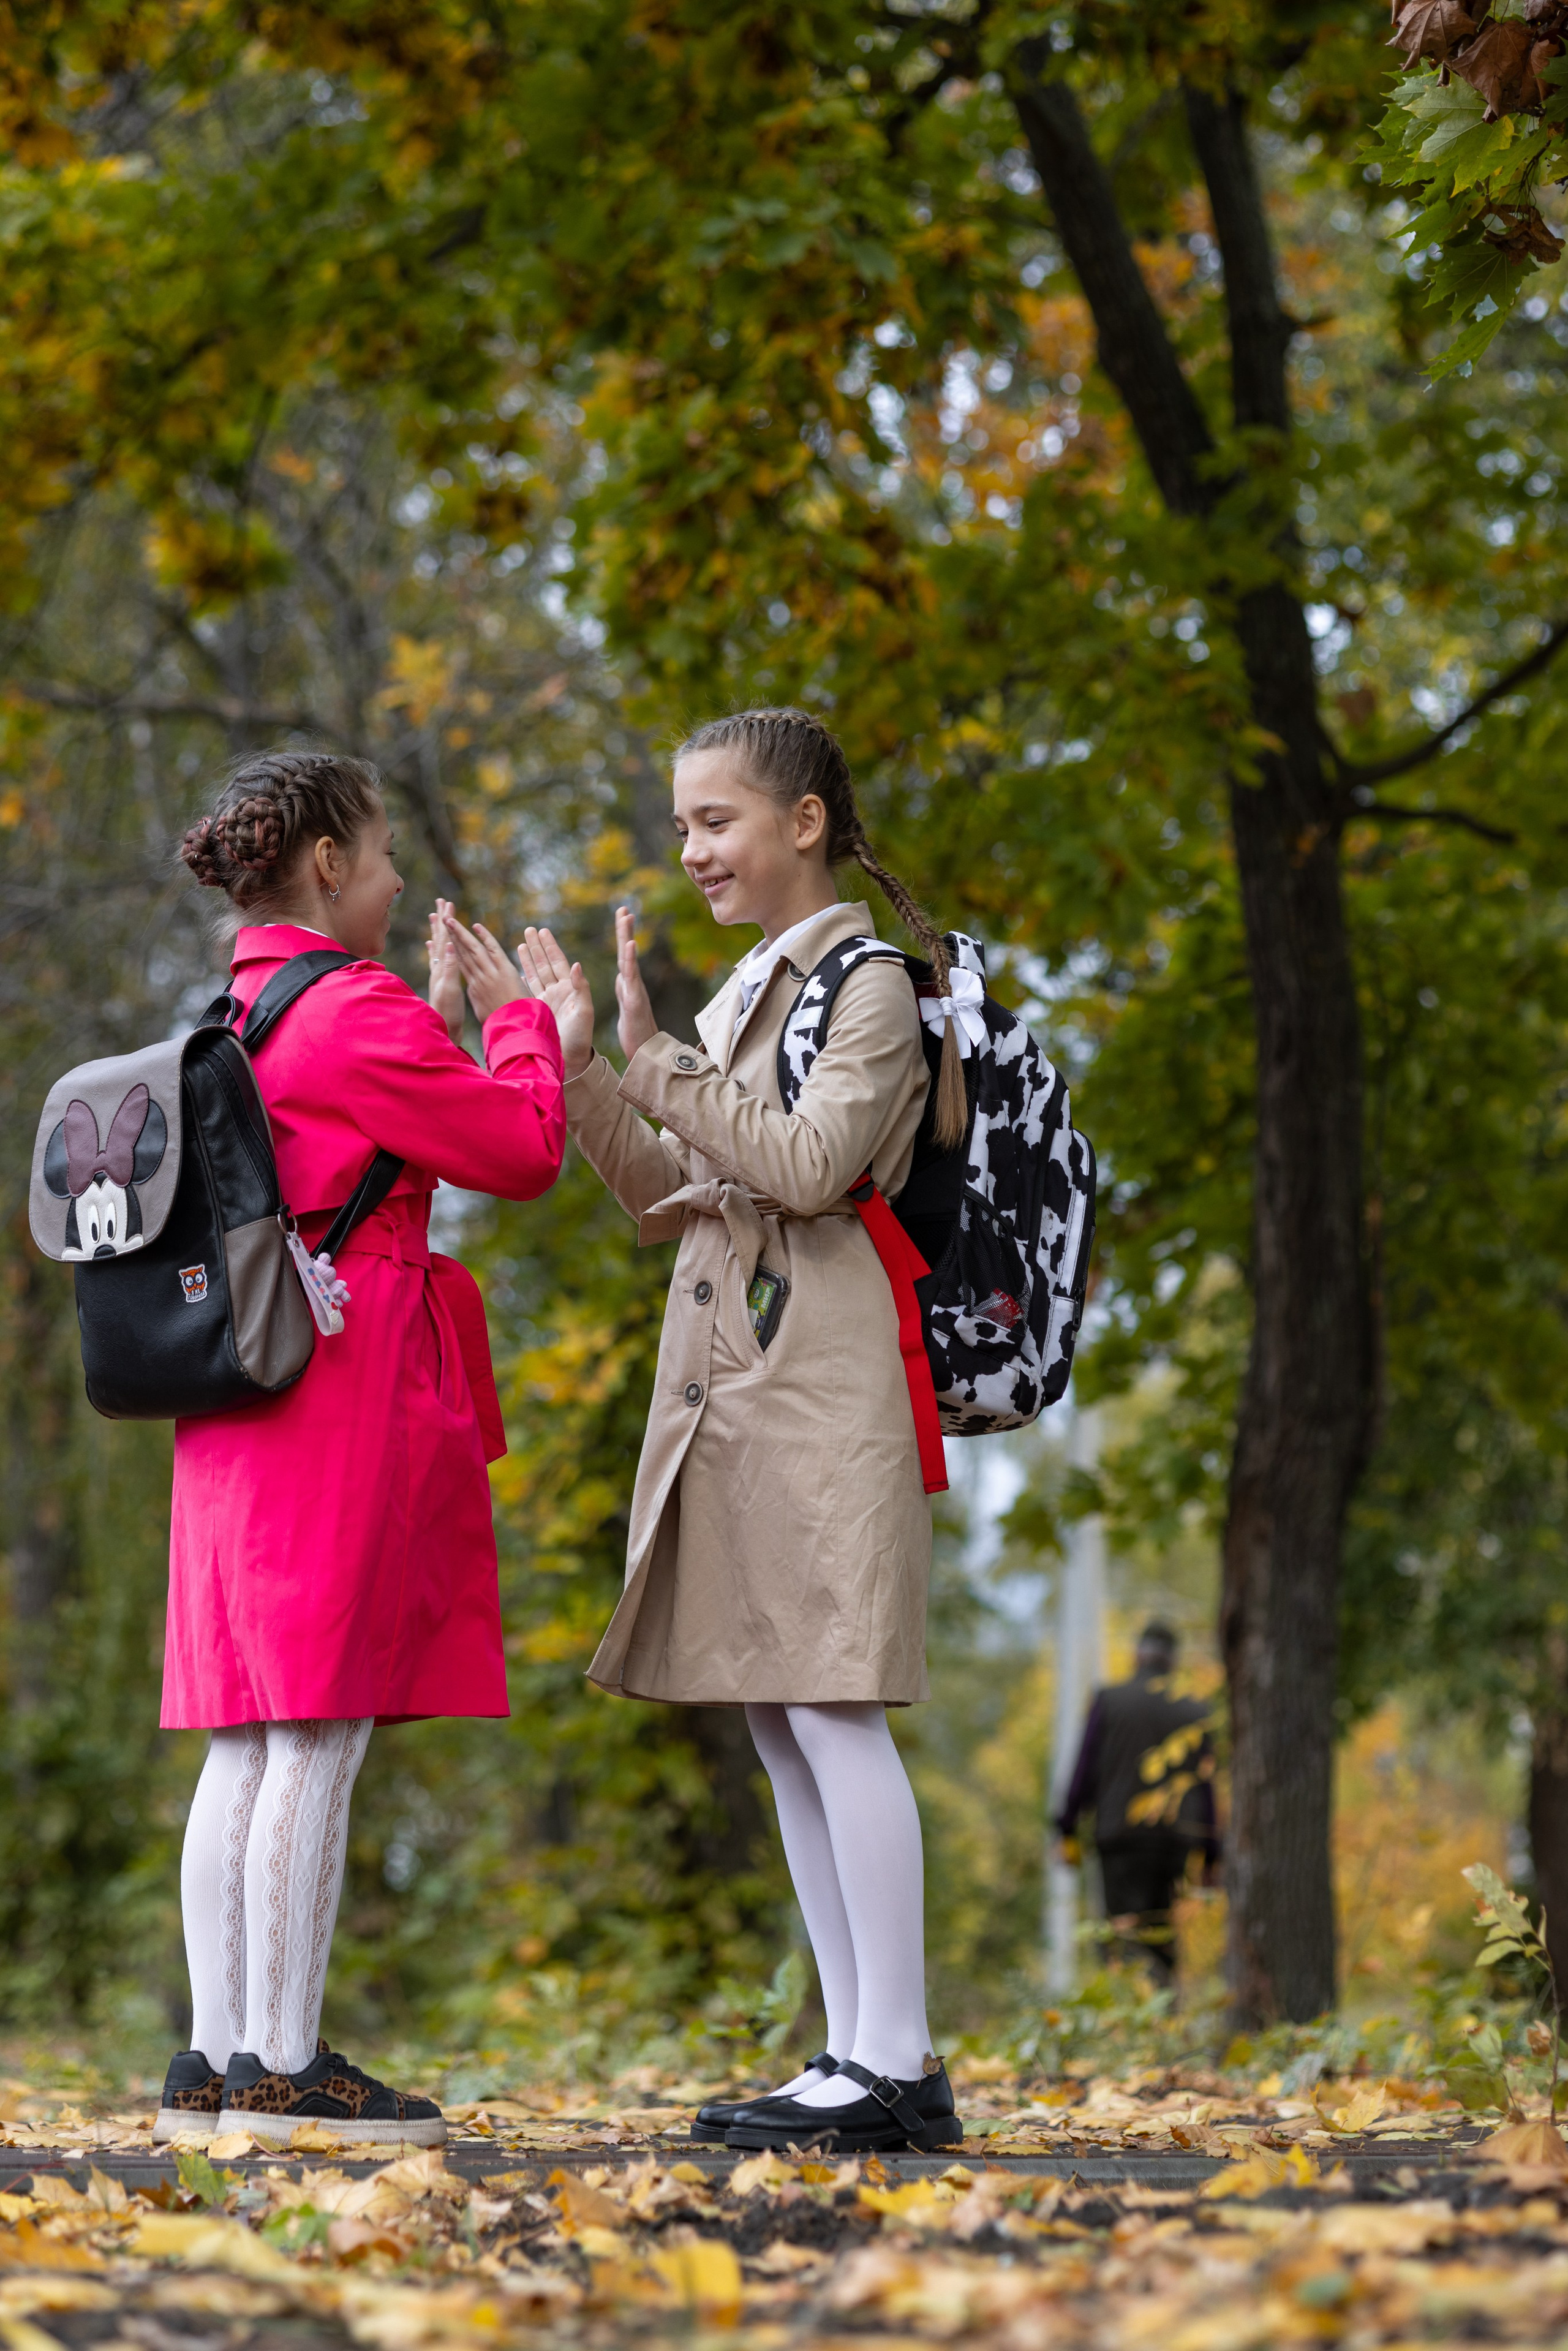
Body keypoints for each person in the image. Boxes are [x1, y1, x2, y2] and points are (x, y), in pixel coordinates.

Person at [439, 706, 964, 2154]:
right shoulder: (751, 990)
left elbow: (803, 1166)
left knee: (832, 1698)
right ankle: (853, 2050)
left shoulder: (860, 982)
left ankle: (900, 2058)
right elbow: (661, 1189)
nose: (691, 851)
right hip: (738, 1383)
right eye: (681, 826)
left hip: (824, 1378)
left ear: (803, 822)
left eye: (715, 822)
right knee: (781, 1712)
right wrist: (580, 1059)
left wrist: (656, 1052)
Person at [153, 749, 565, 2148]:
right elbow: (519, 1149)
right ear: (326, 863)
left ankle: (215, 2059)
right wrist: (524, 1026)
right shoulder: (351, 1008)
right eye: (382, 853)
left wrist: (436, 1030)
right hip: (337, 1382)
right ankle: (287, 2066)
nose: (395, 879)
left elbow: (372, 1140)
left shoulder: (236, 1009)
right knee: (317, 1727)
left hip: (230, 1386)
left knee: (245, 1732)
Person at [1054, 1620, 1219, 1987]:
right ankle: (1164, 2016)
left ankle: (1126, 2017)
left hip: (1120, 1836)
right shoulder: (1195, 1710)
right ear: (1172, 1662)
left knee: (1120, 1931)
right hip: (1175, 1840)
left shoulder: (1109, 1701)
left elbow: (1085, 1768)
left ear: (1137, 1656)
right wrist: (1212, 1853)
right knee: (1161, 1931)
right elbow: (1207, 1787)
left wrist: (1065, 1827)